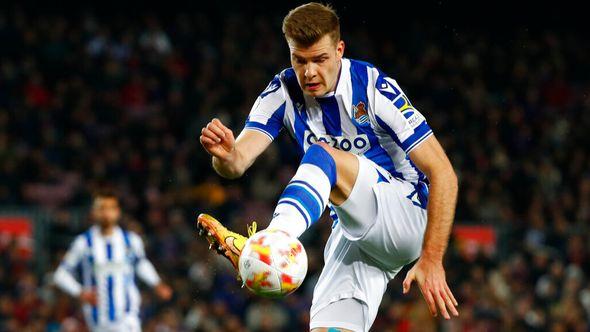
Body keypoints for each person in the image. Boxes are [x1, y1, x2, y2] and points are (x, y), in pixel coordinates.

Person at [197, 3, 459, 331]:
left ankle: (271, 243)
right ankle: (268, 248)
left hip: (406, 214)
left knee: (324, 155)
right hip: (355, 233)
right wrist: (224, 156)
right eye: (299, 60)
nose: (309, 73)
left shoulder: (372, 86)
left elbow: (444, 173)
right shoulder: (282, 92)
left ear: (339, 50)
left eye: (319, 60)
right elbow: (237, 164)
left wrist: (433, 257)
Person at [54, 190, 172, 331]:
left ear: (118, 212)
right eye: (102, 208)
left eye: (110, 208)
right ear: (94, 212)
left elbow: (141, 264)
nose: (106, 213)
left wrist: (156, 283)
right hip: (98, 319)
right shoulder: (84, 243)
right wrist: (80, 292)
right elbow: (60, 275)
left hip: (128, 317)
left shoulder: (131, 241)